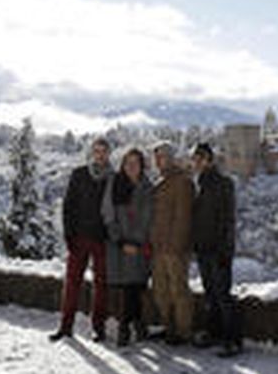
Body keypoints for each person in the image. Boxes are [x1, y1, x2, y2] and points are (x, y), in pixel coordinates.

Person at [52, 138, 112, 341]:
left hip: (103, 240)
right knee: (71, 283)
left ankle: (98, 327)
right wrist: (69, 235)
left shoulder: (113, 177)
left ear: (109, 154)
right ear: (91, 153)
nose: (100, 155)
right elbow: (68, 206)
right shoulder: (79, 174)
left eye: (104, 151)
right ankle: (65, 326)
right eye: (97, 151)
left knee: (101, 285)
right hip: (79, 238)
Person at [190, 142, 240, 356]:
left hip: (218, 250)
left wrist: (224, 250)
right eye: (195, 159)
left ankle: (233, 340)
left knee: (222, 295)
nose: (196, 163)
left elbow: (228, 220)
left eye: (200, 159)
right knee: (211, 294)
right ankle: (214, 333)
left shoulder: (223, 183)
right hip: (203, 249)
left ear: (210, 160)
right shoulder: (199, 184)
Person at [101, 147, 154, 346]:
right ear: (122, 165)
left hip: (140, 244)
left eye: (136, 163)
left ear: (142, 166)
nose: (132, 167)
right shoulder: (114, 183)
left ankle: (136, 325)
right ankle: (126, 326)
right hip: (118, 243)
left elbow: (150, 216)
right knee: (125, 287)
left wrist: (139, 241)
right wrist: (121, 240)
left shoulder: (148, 187)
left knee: (137, 286)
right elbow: (107, 213)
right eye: (128, 163)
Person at [148, 142, 195, 343]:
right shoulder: (162, 181)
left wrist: (176, 246)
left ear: (172, 158)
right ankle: (169, 327)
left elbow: (184, 217)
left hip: (174, 248)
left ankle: (183, 331)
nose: (159, 161)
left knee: (179, 289)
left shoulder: (183, 181)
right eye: (157, 157)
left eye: (163, 157)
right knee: (161, 289)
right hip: (159, 247)